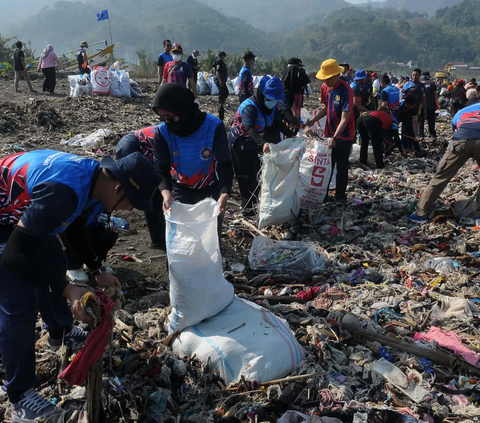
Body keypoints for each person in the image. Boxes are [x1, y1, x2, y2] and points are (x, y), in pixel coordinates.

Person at [0, 149, 161, 422]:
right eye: (131, 203)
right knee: (19, 304)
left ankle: (59, 332)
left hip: (21, 213)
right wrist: (67, 288)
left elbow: (73, 228)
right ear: (119, 188)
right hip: (5, 219)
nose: (129, 210)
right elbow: (14, 256)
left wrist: (97, 270)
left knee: (52, 257)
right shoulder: (64, 192)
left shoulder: (94, 181)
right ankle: (21, 397)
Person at [152, 83, 233, 240]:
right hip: (181, 189)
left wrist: (224, 192)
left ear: (182, 109)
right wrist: (166, 193)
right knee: (182, 238)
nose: (167, 122)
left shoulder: (213, 127)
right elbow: (161, 169)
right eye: (162, 118)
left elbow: (225, 164)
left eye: (170, 117)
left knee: (209, 236)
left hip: (210, 189)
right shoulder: (163, 133)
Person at [229, 76, 296, 214]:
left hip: (256, 141)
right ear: (263, 94)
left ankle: (256, 203)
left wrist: (293, 135)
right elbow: (249, 129)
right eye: (270, 98)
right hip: (241, 141)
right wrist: (263, 142)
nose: (272, 101)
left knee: (258, 174)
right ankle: (247, 208)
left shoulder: (270, 107)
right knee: (246, 175)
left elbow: (278, 123)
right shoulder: (250, 106)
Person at [409, 101, 480, 223]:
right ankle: (478, 215)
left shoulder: (462, 111)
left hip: (460, 140)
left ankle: (421, 214)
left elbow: (455, 131)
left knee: (441, 177)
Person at [306, 59, 355, 203]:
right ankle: (324, 194)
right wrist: (313, 121)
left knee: (341, 166)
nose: (325, 81)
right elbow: (325, 108)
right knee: (327, 165)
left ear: (336, 75)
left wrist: (335, 137)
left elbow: (345, 119)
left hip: (344, 135)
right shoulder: (326, 88)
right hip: (330, 132)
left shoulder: (346, 90)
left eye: (327, 78)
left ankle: (340, 196)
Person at [115, 125, 164, 249]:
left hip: (138, 146)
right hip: (133, 147)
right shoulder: (184, 135)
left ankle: (159, 235)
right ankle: (157, 240)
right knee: (151, 193)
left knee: (157, 193)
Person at [400, 68, 427, 154]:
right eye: (413, 75)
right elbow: (402, 98)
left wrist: (425, 109)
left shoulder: (421, 86)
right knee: (406, 127)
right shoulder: (407, 85)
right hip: (407, 110)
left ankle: (413, 143)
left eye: (416, 75)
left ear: (420, 76)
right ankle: (406, 145)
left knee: (415, 125)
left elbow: (423, 98)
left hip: (417, 109)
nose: (414, 76)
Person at [419, 71, 438, 139]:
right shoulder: (432, 83)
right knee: (431, 120)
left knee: (421, 120)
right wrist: (437, 104)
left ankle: (421, 134)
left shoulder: (419, 83)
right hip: (431, 105)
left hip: (421, 106)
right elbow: (435, 94)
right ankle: (432, 133)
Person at [213, 51, 229, 121]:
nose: (224, 57)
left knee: (226, 92)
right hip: (220, 80)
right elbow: (217, 72)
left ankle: (221, 105)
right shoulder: (219, 62)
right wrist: (220, 81)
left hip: (222, 80)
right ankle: (220, 108)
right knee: (223, 93)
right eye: (223, 55)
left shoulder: (222, 62)